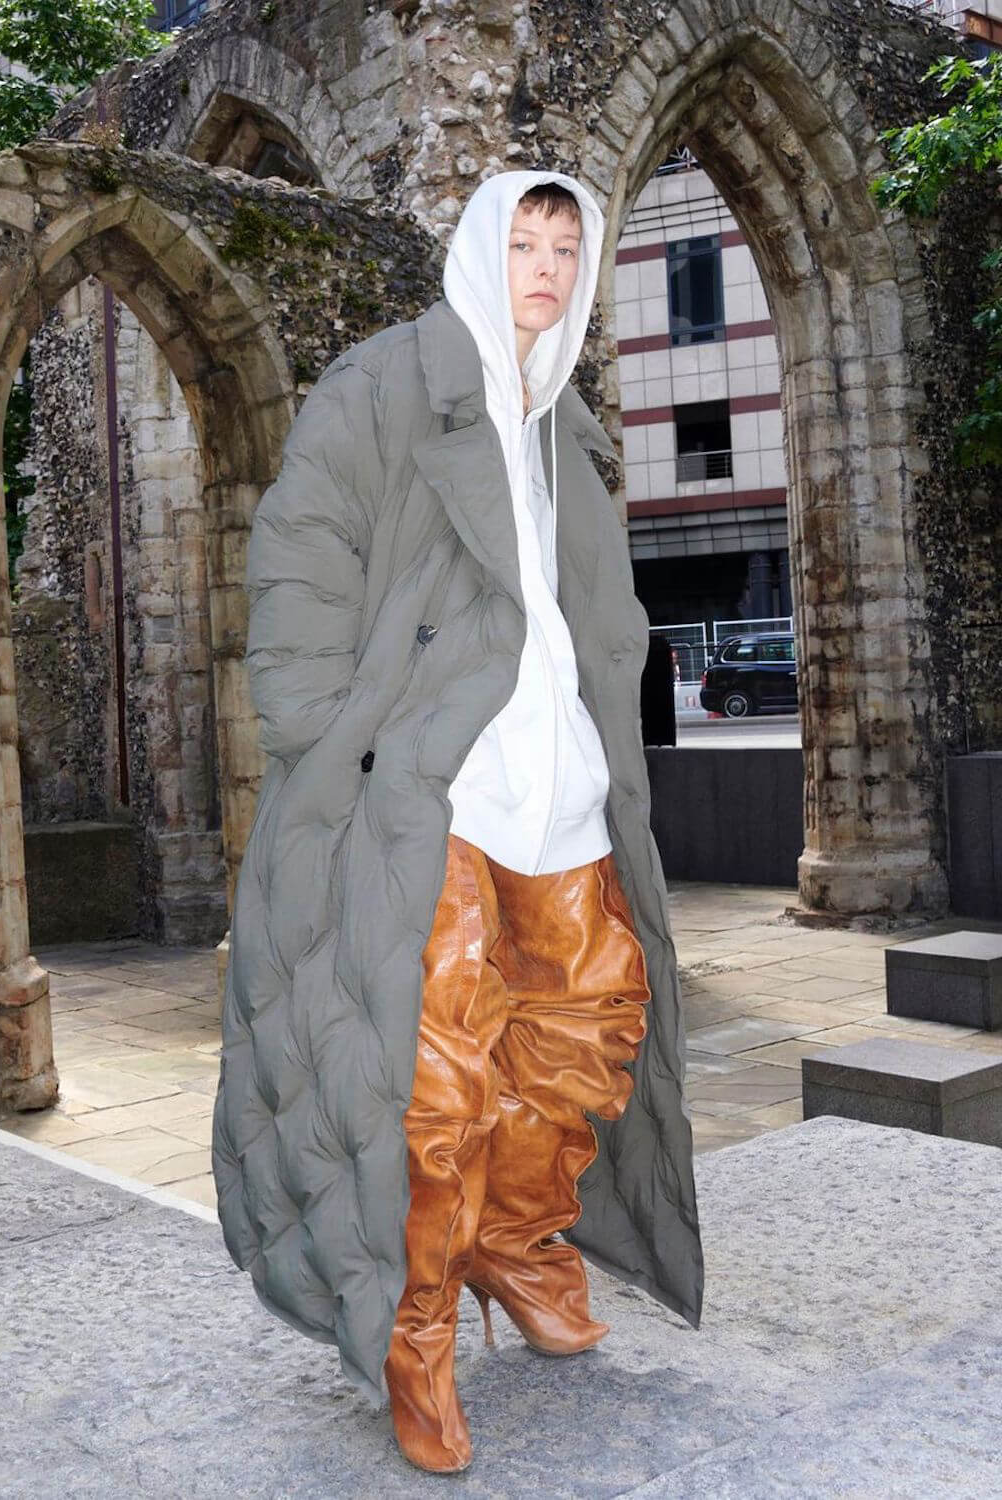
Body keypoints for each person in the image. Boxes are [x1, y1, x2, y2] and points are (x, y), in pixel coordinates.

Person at [213, 169, 704, 1474]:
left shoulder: (560, 418)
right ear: (484, 250)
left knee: (589, 1027)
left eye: (566, 247)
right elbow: (302, 553)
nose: (544, 267)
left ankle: (513, 1240)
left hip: (558, 774)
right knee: (433, 1076)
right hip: (431, 781)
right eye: (523, 241)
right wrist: (328, 737)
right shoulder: (386, 383)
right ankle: (416, 1332)